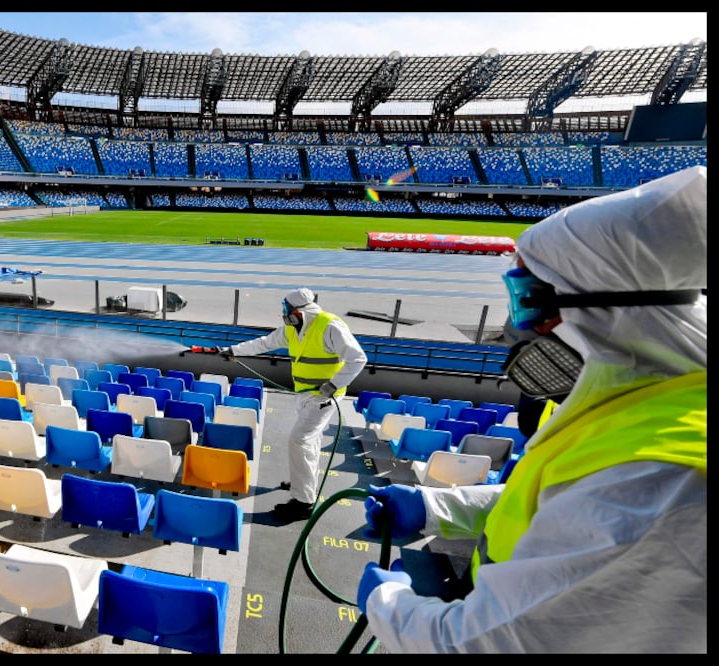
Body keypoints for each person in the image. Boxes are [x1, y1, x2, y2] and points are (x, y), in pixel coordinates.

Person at [354, 165, 707, 652]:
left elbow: (487, 644)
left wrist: (388, 604)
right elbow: (569, 509)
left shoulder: (664, 479)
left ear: (602, 307)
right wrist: (437, 506)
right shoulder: (644, 404)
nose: (514, 327)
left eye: (526, 300)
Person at [220, 287, 366, 523]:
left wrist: (333, 384)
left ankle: (303, 503)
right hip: (304, 395)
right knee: (311, 441)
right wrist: (233, 350)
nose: (283, 314)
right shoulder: (292, 329)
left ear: (299, 311)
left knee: (299, 439)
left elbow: (358, 358)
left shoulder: (330, 326)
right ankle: (303, 483)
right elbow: (265, 343)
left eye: (286, 310)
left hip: (324, 397)